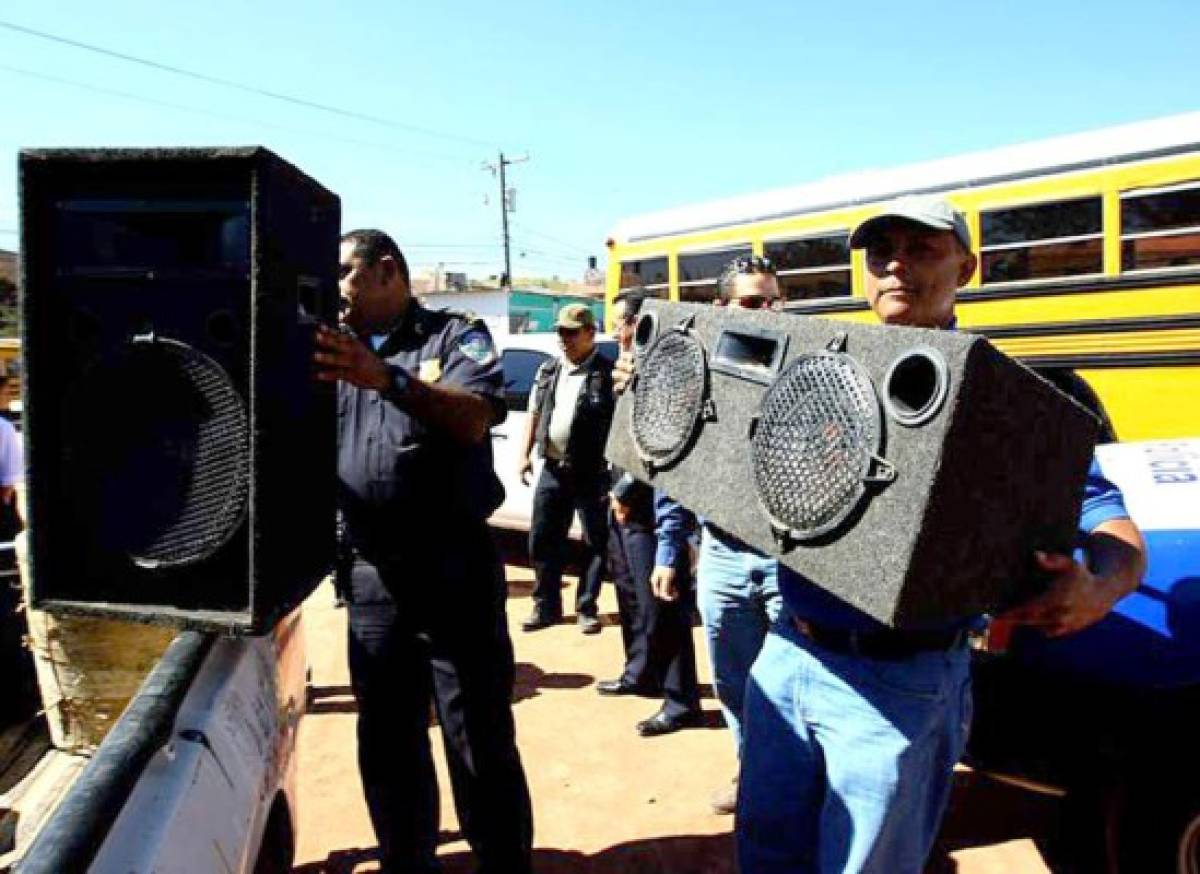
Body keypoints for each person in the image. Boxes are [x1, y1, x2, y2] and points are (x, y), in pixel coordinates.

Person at [736, 196, 1147, 874]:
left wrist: (1099, 588)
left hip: (902, 683)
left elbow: (1112, 526)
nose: (897, 264)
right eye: (881, 252)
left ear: (968, 266)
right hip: (788, 655)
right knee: (767, 854)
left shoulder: (1010, 400)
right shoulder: (819, 373)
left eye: (922, 248)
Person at [314, 229, 532, 874]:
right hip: (372, 574)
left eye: (345, 277)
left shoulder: (452, 336)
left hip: (453, 569)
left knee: (477, 738)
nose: (336, 295)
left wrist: (385, 378)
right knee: (386, 739)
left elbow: (472, 417)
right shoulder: (328, 349)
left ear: (385, 271)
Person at [612, 256, 786, 812]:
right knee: (734, 683)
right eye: (753, 303)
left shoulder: (805, 369)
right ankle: (748, 771)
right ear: (722, 309)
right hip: (724, 560)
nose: (768, 312)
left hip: (788, 563)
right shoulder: (695, 373)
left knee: (793, 687)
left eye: (775, 301)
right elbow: (676, 467)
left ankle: (794, 787)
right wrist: (668, 549)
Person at [597, 288, 701, 736]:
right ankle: (639, 672)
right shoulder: (627, 367)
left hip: (650, 507)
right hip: (621, 503)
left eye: (620, 321)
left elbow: (661, 444)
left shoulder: (667, 370)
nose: (615, 331)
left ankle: (681, 700)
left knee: (664, 604)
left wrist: (624, 487)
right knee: (630, 595)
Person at [518, 303, 615, 634]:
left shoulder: (607, 374)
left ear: (591, 333)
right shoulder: (548, 371)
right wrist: (525, 454)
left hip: (591, 471)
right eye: (560, 332)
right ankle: (545, 605)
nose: (564, 339)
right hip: (553, 469)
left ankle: (587, 607)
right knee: (543, 539)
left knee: (594, 542)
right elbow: (533, 414)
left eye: (571, 332)